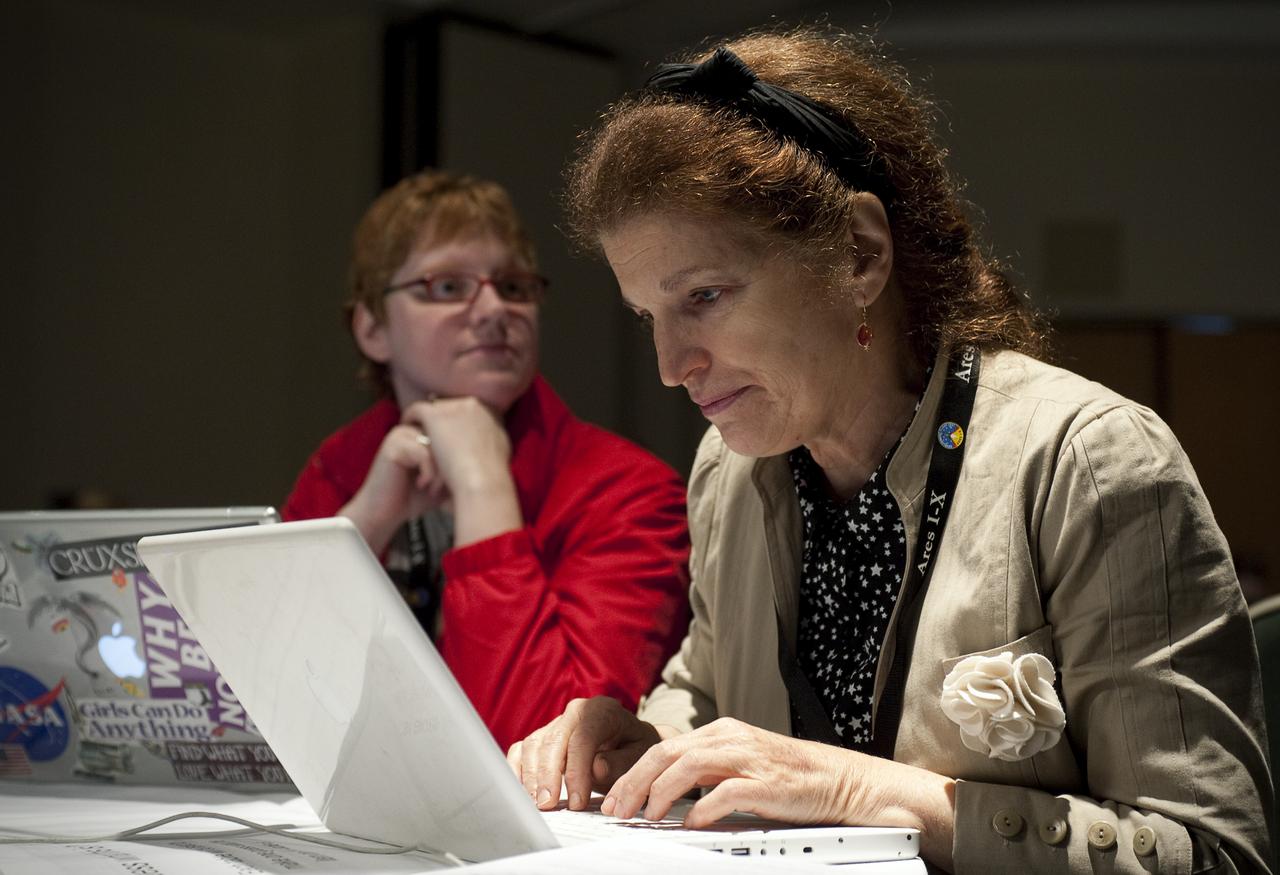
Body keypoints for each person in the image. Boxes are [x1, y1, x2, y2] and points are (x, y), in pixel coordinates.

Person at [509, 29, 1273, 874]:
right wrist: (640, 743)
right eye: (651, 315)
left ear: (860, 254)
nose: (670, 365)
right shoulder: (728, 470)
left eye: (705, 295)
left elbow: (1216, 853)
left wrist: (855, 791)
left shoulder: (1085, 460)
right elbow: (709, 692)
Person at [282, 170, 690, 751]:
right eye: (447, 287)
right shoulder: (344, 465)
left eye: (515, 286)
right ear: (372, 328)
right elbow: (249, 701)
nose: (494, 308)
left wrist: (482, 488)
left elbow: (549, 751)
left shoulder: (630, 494)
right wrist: (363, 524)